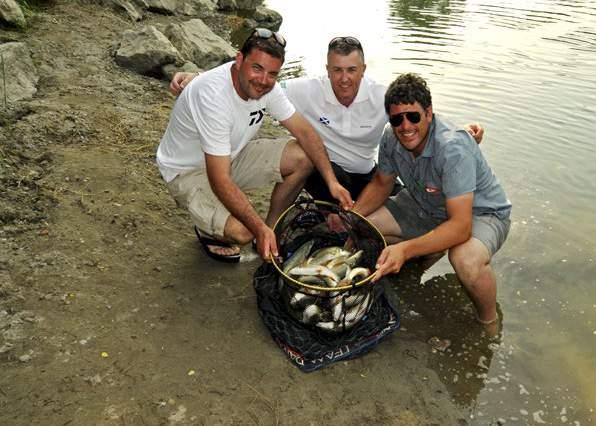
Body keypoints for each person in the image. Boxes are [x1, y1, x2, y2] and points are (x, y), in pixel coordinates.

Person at [170, 36, 484, 203]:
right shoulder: (306, 89)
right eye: (336, 70)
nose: (344, 79)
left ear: (363, 69)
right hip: (324, 172)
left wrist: (460, 131)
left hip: (365, 173)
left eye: (351, 70)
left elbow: (420, 118)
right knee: (316, 175)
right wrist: (197, 77)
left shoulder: (381, 96)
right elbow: (256, 81)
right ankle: (323, 213)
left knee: (404, 205)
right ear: (327, 69)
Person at [157, 29, 352, 263]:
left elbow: (306, 133)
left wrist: (331, 181)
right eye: (257, 68)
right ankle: (211, 230)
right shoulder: (213, 96)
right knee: (243, 232)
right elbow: (220, 179)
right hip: (187, 171)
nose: (263, 80)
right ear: (239, 60)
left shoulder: (268, 87)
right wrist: (256, 227)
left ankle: (272, 230)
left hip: (229, 156)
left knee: (303, 156)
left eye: (272, 73)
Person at [352, 73, 512, 325]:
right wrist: (351, 216)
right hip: (425, 203)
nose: (405, 127)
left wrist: (404, 250)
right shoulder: (391, 136)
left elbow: (460, 227)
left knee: (465, 261)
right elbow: (382, 182)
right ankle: (428, 252)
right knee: (364, 226)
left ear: (429, 113)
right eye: (397, 119)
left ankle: (489, 323)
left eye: (413, 116)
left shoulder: (452, 147)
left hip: (479, 214)